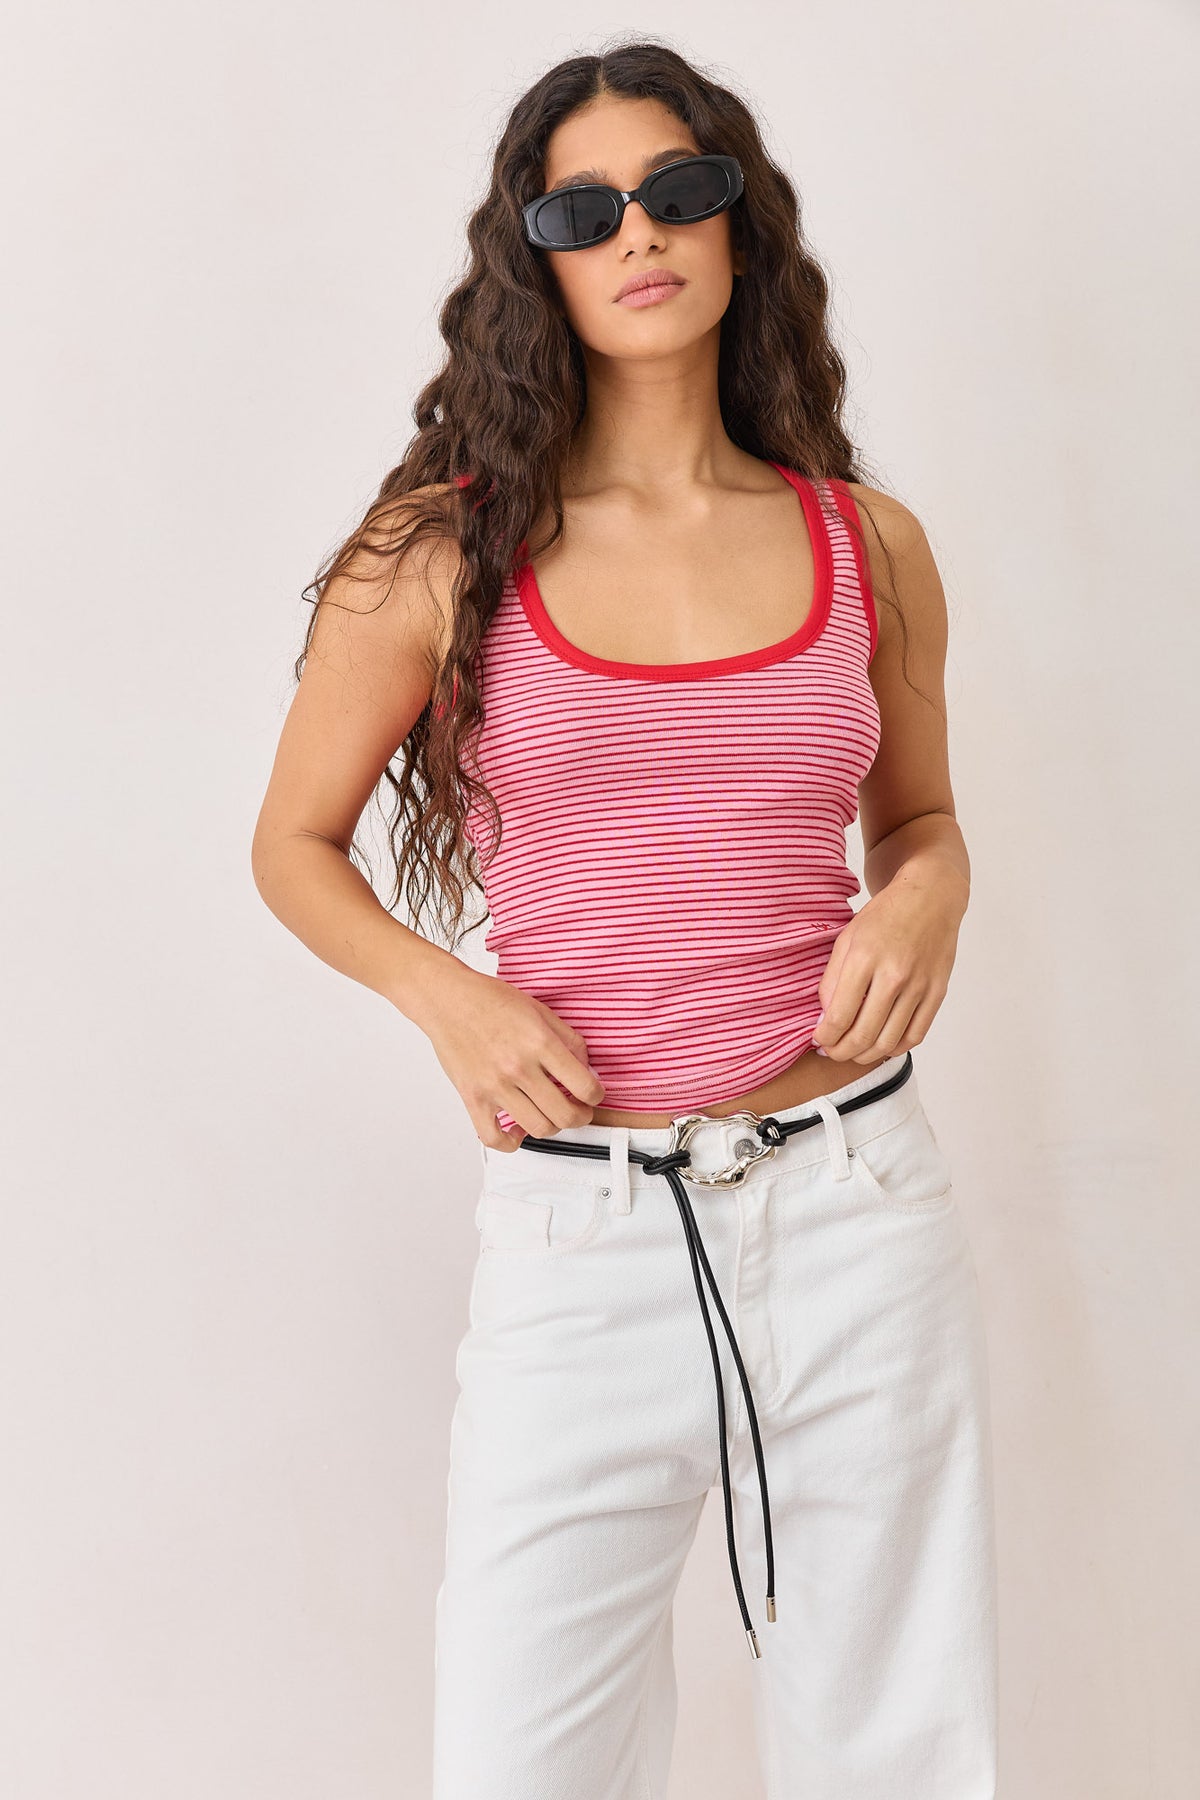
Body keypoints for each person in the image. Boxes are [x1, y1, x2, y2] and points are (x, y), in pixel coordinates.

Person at [251, 39, 998, 1800]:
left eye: (678, 189)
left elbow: (921, 821)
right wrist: (449, 999)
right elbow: (293, 844)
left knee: (898, 1750)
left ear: (742, 226)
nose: (638, 231)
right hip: (582, 1229)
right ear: (536, 261)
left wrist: (931, 898)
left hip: (855, 1201)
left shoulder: (868, 544)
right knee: (524, 1762)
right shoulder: (441, 554)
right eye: (583, 211)